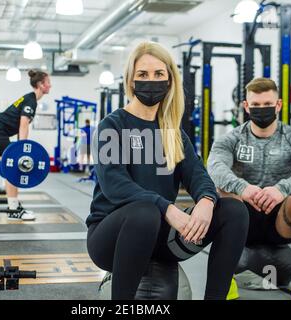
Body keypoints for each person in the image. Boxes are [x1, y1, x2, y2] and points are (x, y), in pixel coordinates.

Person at [86, 41, 249, 300]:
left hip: (163, 240)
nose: (151, 81)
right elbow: (115, 183)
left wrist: (207, 201)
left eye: (159, 74)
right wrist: (167, 208)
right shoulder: (112, 126)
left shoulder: (173, 132)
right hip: (111, 240)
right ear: (131, 81)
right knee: (145, 211)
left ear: (170, 80)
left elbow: (197, 174)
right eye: (143, 75)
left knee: (234, 210)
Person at [207, 77, 291, 300]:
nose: (262, 109)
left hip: (281, 220)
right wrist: (243, 188)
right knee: (221, 191)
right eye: (256, 105)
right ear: (246, 106)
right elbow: (214, 167)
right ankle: (225, 280)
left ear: (278, 105)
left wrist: (282, 189)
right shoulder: (231, 139)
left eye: (267, 104)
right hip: (242, 219)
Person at [0, 69, 51, 221]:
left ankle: (13, 206)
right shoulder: (30, 100)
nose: (50, 86)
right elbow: (23, 125)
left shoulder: (30, 99)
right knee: (13, 169)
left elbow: (22, 126)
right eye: (48, 83)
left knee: (10, 170)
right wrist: (23, 151)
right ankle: (13, 210)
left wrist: (21, 148)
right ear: (40, 84)